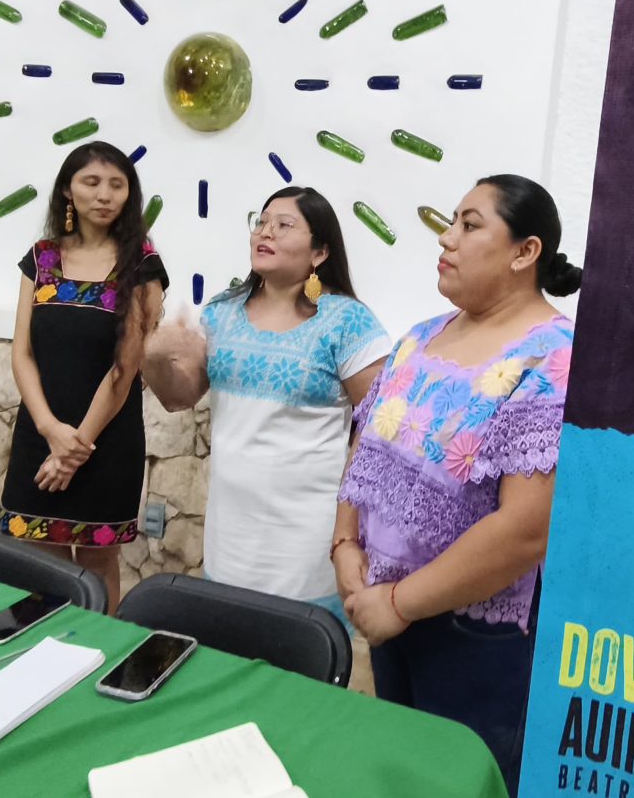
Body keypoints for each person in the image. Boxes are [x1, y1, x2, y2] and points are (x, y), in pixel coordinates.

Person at [333, 174, 580, 796]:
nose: (447, 237)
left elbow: (525, 530)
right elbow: (366, 443)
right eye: (452, 222)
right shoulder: (421, 336)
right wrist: (344, 545)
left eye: (471, 225)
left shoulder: (553, 358)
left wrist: (398, 604)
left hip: (473, 634)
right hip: (386, 609)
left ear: (525, 252)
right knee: (400, 774)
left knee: (460, 782)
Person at [142, 187, 387, 623]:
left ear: (320, 252)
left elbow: (378, 425)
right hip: (230, 534)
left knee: (297, 648)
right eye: (262, 221)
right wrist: (154, 355)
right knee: (228, 643)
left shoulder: (348, 321)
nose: (265, 232)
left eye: (284, 224)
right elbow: (178, 397)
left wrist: (348, 528)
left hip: (307, 537)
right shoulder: (222, 312)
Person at [4, 141, 166, 613]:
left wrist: (75, 450)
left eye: (117, 185)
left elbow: (124, 368)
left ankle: (97, 645)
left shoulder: (142, 262)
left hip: (106, 439)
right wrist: (50, 430)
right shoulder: (42, 258)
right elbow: (22, 353)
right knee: (42, 554)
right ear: (67, 191)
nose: (104, 195)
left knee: (97, 559)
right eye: (91, 182)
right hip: (41, 431)